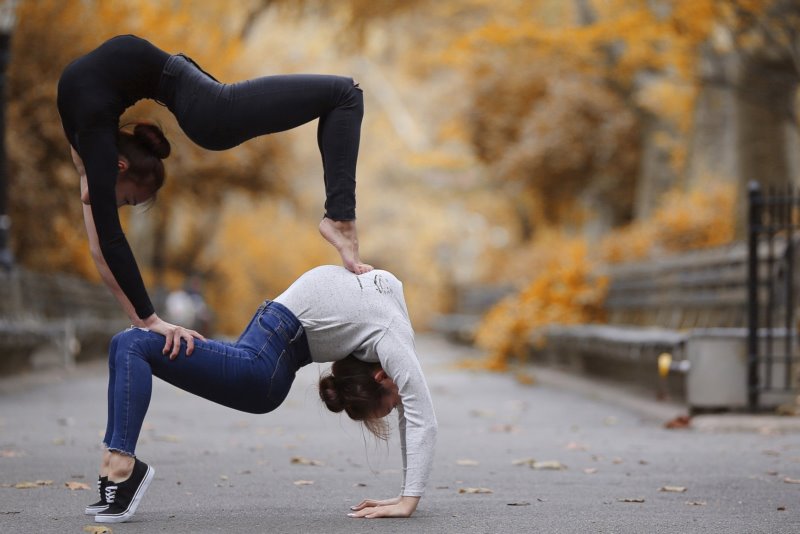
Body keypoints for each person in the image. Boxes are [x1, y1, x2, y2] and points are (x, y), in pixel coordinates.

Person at [57, 34, 372, 357]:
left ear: (120, 166)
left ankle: (340, 219)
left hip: (208, 108)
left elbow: (108, 242)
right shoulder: (89, 139)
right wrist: (145, 319)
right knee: (344, 96)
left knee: (346, 93)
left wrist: (146, 319)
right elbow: (100, 248)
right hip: (193, 91)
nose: (115, 204)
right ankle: (340, 218)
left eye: (126, 200)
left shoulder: (91, 137)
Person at [85, 265, 437, 523]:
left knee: (127, 344)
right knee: (130, 344)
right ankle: (120, 468)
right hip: (267, 359)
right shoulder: (393, 338)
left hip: (270, 337)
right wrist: (408, 500)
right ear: (381, 375)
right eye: (393, 403)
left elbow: (411, 414)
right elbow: (421, 417)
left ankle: (116, 466)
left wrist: (407, 492)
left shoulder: (387, 292)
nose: (399, 405)